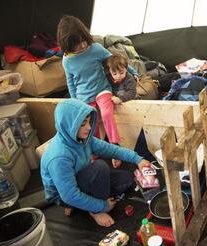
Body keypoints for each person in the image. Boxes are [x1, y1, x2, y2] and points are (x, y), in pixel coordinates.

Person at [40, 99, 151, 227]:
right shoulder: (59, 157)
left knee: (126, 179)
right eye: (82, 124)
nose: (88, 127)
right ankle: (94, 211)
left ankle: (81, 204)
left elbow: (111, 149)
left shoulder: (83, 138)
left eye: (88, 122)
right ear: (69, 126)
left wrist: (138, 159)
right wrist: (102, 206)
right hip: (63, 196)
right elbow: (69, 195)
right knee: (100, 167)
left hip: (82, 178)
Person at [57, 15, 139, 168]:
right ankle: (93, 154)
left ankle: (115, 149)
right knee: (90, 126)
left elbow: (115, 60)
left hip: (102, 91)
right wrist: (75, 102)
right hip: (83, 97)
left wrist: (133, 72)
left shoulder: (95, 49)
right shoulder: (67, 60)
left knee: (107, 114)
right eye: (76, 44)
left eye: (83, 41)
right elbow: (70, 82)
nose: (82, 46)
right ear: (67, 45)